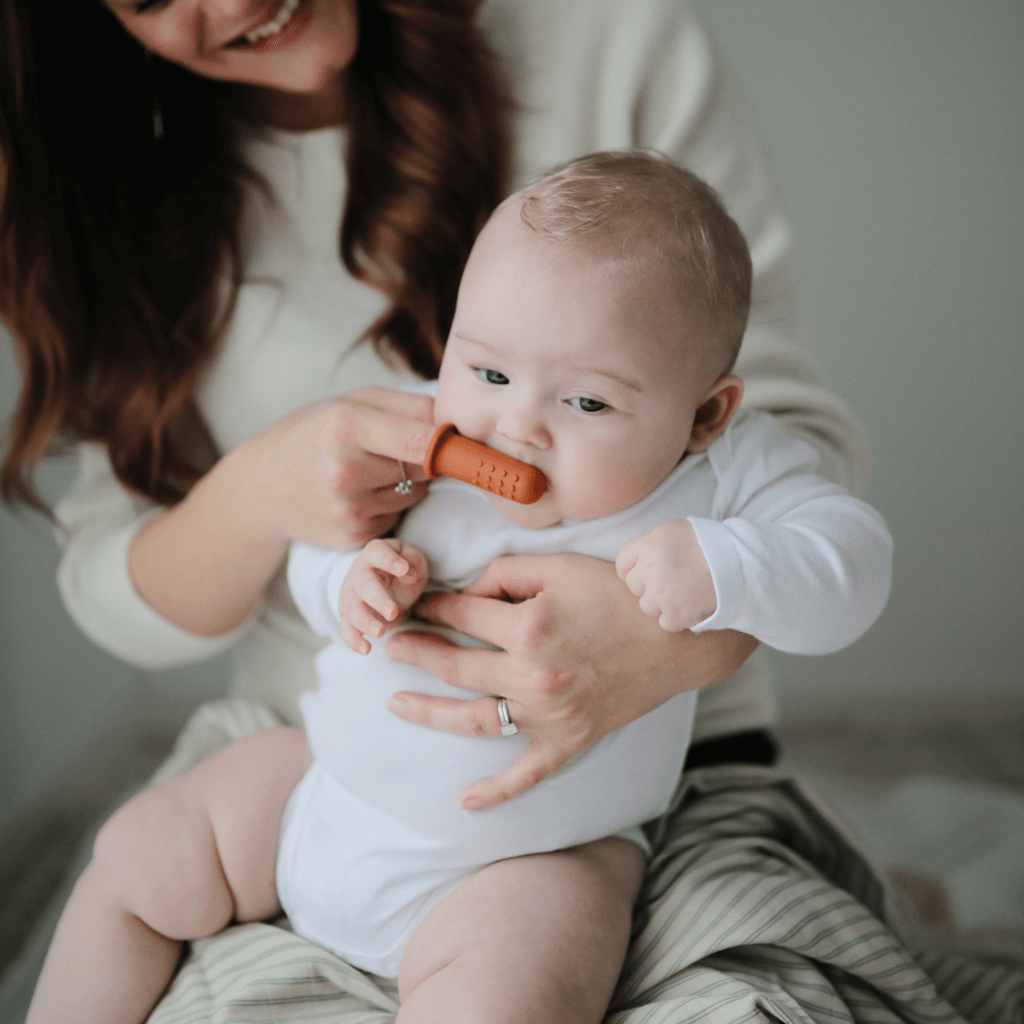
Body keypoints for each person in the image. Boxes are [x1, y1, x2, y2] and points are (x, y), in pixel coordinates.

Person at [8, 1, 1017, 1022]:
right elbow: (320, 549)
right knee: (134, 858)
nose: (517, 426)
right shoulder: (433, 428)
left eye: (585, 401)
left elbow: (851, 561)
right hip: (324, 784)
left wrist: (721, 581)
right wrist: (347, 580)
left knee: (513, 991)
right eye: (484, 366)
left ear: (704, 414)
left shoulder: (724, 475)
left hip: (531, 854)